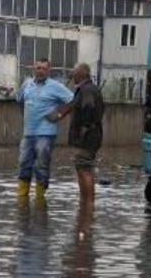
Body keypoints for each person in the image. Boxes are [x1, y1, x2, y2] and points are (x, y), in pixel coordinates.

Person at [15, 58, 74, 201]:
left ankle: (40, 198)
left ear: (49, 71)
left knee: (41, 163)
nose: (40, 71)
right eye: (37, 68)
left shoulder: (55, 86)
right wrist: (26, 116)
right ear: (33, 69)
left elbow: (73, 101)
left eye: (43, 68)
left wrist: (59, 114)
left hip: (46, 133)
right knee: (23, 162)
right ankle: (22, 198)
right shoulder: (27, 84)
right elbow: (19, 100)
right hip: (28, 132)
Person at [52, 63, 104, 202]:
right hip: (90, 136)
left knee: (84, 169)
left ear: (80, 74)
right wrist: (56, 115)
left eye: (74, 73)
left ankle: (87, 203)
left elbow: (88, 107)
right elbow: (73, 105)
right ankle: (85, 203)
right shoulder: (88, 89)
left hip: (86, 138)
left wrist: (83, 129)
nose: (72, 76)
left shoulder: (86, 90)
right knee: (83, 168)